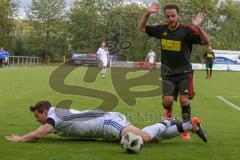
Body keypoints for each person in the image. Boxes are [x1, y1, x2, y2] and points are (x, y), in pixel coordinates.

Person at [138, 3, 210, 140]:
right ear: (165, 17)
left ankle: (186, 127)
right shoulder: (161, 29)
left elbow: (206, 41)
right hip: (167, 74)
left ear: (178, 16)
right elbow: (141, 28)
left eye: (173, 16)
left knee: (184, 101)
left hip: (184, 73)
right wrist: (147, 13)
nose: (170, 18)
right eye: (168, 16)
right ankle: (169, 114)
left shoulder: (187, 30)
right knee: (167, 101)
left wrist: (198, 27)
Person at [5, 100, 207, 143]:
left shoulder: (54, 114)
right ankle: (190, 126)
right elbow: (41, 133)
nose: (37, 120)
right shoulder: (57, 115)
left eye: (37, 116)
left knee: (144, 137)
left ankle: (168, 121)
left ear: (44, 111)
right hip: (105, 124)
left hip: (106, 123)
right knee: (153, 140)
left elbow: (40, 133)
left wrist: (20, 138)